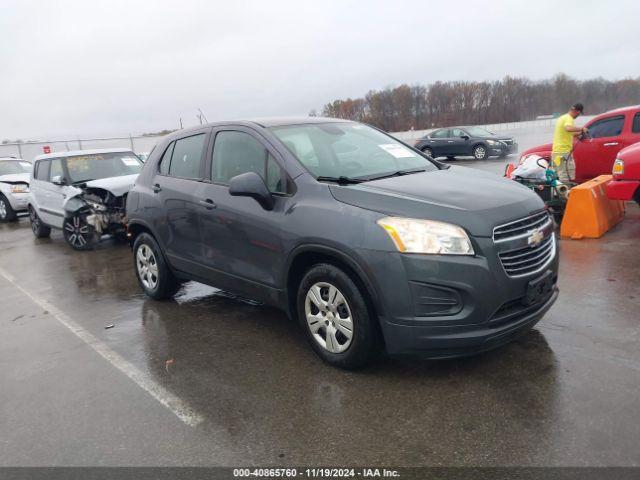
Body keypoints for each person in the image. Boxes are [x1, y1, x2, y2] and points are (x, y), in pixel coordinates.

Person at [551, 103, 588, 184]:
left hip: (557, 151)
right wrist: (582, 129)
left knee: (560, 174)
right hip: (563, 152)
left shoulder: (562, 118)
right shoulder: (569, 118)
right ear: (577, 112)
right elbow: (568, 128)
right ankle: (565, 195)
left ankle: (559, 193)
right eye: (579, 114)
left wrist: (580, 133)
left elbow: (569, 133)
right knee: (565, 176)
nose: (578, 116)